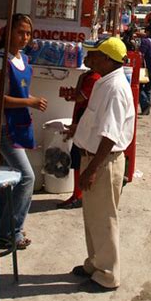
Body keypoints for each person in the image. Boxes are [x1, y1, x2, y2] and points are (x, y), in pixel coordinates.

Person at [68, 37, 135, 292]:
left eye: (94, 55)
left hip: (103, 162)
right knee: (93, 218)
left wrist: (92, 170)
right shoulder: (104, 82)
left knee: (104, 219)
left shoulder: (115, 88)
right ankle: (94, 264)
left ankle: (108, 275)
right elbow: (98, 123)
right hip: (95, 157)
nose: (89, 59)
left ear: (107, 59)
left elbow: (110, 135)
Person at [0, 13, 47, 250]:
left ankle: (3, 230)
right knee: (27, 177)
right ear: (8, 33)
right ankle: (12, 231)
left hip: (19, 127)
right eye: (20, 32)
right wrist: (29, 103)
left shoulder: (23, 59)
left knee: (13, 180)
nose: (24, 37)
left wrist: (31, 100)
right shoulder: (1, 61)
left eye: (28, 33)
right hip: (4, 127)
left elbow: (17, 94)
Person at [57, 54, 101, 209]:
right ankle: (77, 194)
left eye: (90, 56)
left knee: (78, 159)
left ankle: (78, 195)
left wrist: (71, 94)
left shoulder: (93, 78)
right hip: (80, 118)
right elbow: (78, 96)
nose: (86, 58)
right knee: (77, 159)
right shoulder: (89, 76)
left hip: (84, 120)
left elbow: (81, 98)